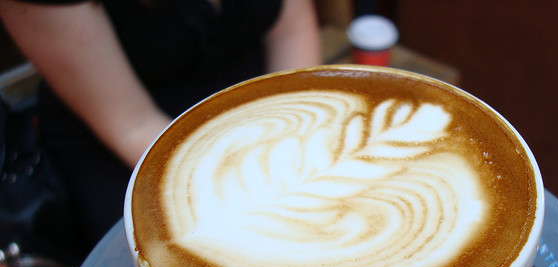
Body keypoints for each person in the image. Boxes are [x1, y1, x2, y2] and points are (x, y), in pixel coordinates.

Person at [0, 0, 322, 254]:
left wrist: (294, 139)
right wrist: (262, 188)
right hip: (128, 145)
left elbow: (290, 29)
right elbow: (132, 125)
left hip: (259, 115)